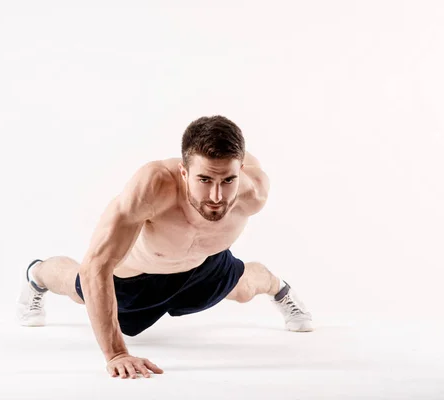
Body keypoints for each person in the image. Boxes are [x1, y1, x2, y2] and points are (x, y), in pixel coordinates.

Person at [16, 115, 313, 379]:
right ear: (184, 172)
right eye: (204, 179)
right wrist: (116, 353)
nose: (217, 195)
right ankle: (38, 274)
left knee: (245, 290)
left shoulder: (255, 192)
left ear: (241, 171)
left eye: (228, 180)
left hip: (202, 265)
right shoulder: (153, 187)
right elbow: (96, 266)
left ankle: (279, 288)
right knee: (79, 288)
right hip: (136, 278)